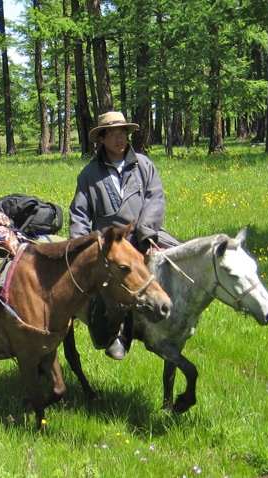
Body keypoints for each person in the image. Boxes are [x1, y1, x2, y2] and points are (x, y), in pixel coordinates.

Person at [69, 111, 179, 360]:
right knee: (111, 282)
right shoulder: (89, 174)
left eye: (123, 133)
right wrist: (81, 246)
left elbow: (155, 199)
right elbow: (79, 212)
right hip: (108, 244)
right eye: (113, 134)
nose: (120, 139)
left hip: (142, 235)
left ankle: (176, 315)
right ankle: (117, 332)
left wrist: (146, 232)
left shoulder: (144, 165)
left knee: (181, 257)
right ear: (103, 139)